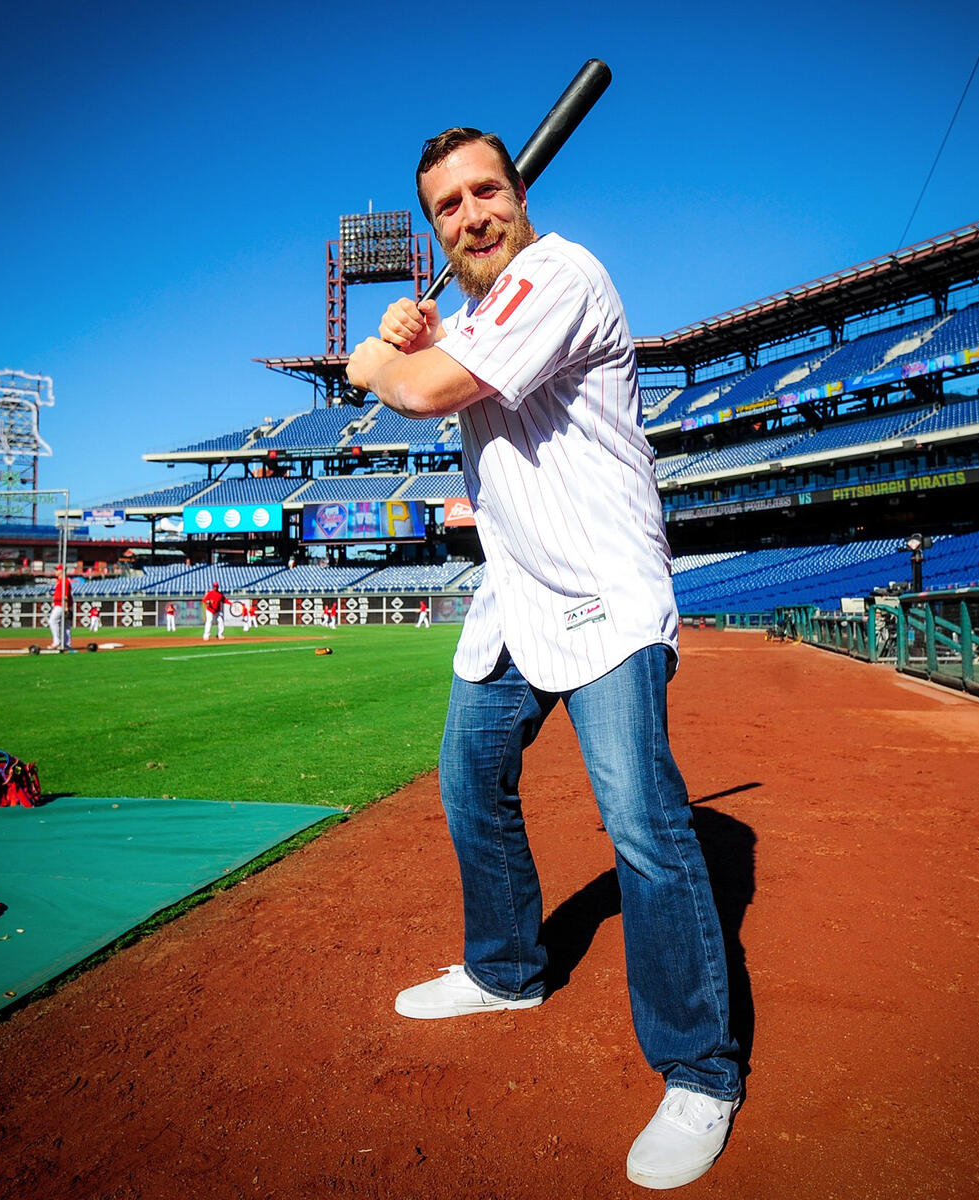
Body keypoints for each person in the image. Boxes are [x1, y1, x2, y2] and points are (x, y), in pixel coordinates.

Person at [347, 128, 742, 1191]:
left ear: (517, 195)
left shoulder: (561, 273)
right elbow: (449, 363)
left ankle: (701, 1070)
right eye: (448, 207)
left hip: (605, 595)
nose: (470, 215)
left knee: (644, 830)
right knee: (469, 779)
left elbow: (423, 392)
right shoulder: (482, 312)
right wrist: (420, 330)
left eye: (486, 192)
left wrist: (378, 355)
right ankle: (507, 968)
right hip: (518, 597)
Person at [49, 564, 72, 651]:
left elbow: (65, 595)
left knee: (52, 621)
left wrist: (66, 607)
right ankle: (67, 644)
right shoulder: (60, 581)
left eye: (57, 570)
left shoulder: (64, 581)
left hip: (61, 605)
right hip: (62, 605)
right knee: (66, 625)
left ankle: (56, 642)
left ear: (61, 571)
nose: (55, 571)